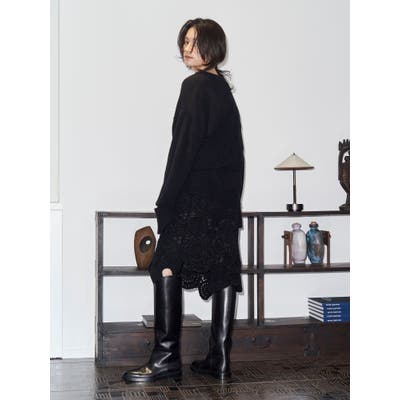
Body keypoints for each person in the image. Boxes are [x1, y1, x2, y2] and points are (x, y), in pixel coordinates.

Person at [122, 18, 245, 383]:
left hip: (195, 196)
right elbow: (236, 154)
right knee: (222, 271)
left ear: (213, 47)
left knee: (165, 264)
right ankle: (219, 360)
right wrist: (230, 201)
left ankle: (165, 358)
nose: (187, 49)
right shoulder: (223, 90)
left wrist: (166, 201)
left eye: (195, 42)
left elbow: (183, 149)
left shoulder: (194, 86)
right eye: (185, 42)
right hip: (224, 200)